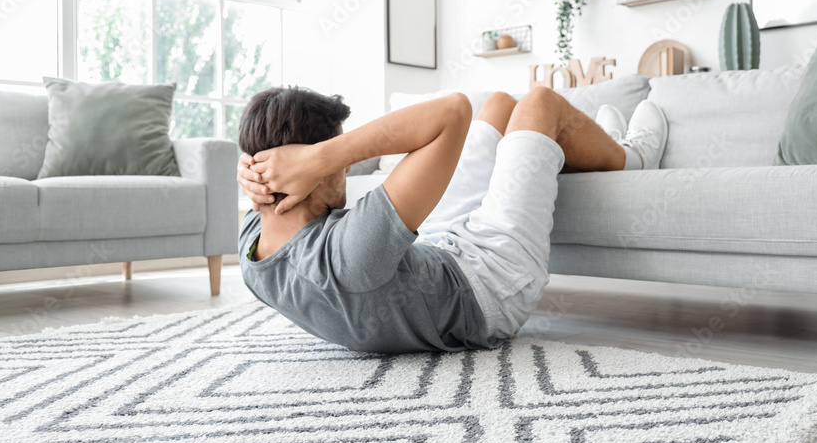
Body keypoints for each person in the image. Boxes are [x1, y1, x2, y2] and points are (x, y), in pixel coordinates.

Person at [235, 86, 667, 353]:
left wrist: (253, 170)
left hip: (435, 257)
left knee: (499, 105)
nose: (345, 168)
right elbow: (452, 111)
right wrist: (325, 154)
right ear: (307, 171)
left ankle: (583, 148)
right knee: (540, 103)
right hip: (491, 282)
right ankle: (630, 157)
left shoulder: (253, 250)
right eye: (334, 159)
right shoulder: (350, 255)